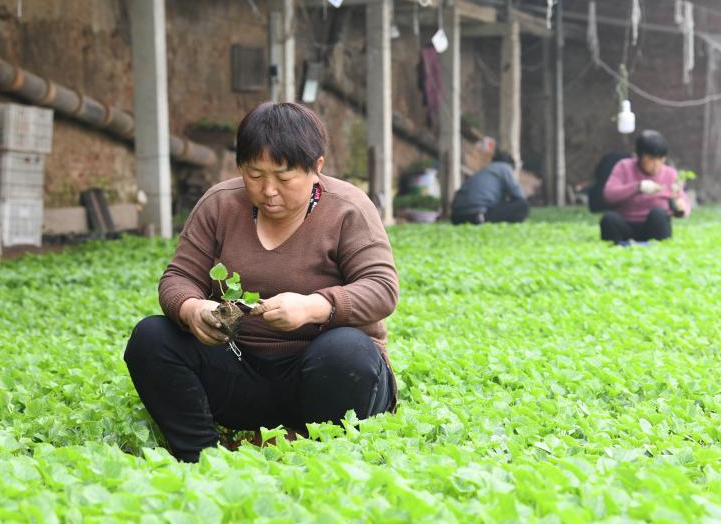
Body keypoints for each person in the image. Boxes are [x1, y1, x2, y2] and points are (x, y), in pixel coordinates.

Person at [124, 102, 398, 462]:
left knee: (346, 351)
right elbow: (179, 278)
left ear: (316, 167)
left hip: (324, 375)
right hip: (241, 368)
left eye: (284, 178)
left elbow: (382, 287)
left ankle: (307, 443)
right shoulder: (219, 205)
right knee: (151, 337)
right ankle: (203, 456)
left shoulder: (348, 208)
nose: (268, 190)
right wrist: (193, 310)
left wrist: (313, 307)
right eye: (254, 175)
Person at [600, 130, 691, 243]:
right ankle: (622, 244)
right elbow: (609, 195)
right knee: (609, 218)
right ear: (638, 156)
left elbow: (682, 201)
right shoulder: (623, 167)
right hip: (626, 223)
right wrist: (637, 187)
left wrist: (680, 207)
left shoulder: (670, 174)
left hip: (653, 227)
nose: (656, 164)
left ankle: (655, 245)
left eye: (660, 159)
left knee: (659, 214)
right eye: (651, 159)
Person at [450, 151, 529, 225]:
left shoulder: (485, 171)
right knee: (522, 205)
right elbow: (519, 195)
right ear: (511, 165)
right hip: (477, 216)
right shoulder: (504, 168)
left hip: (457, 217)